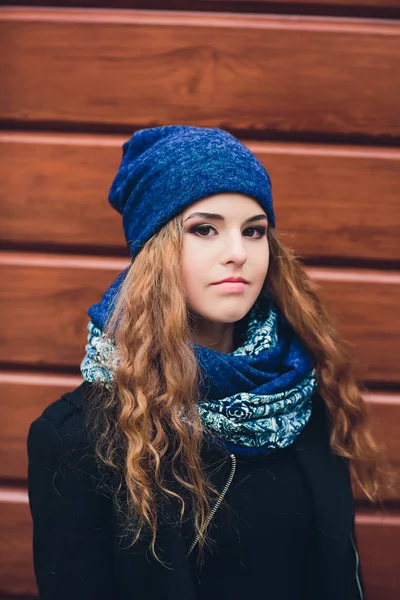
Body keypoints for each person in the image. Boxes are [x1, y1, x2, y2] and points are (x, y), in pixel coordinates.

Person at [27, 125, 383, 600]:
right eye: (204, 229)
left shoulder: (302, 395)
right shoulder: (77, 436)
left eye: (254, 231)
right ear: (155, 252)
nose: (238, 253)